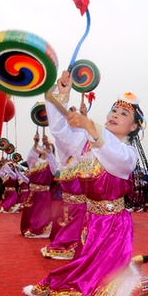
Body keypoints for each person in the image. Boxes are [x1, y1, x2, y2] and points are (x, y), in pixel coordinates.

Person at [23, 71, 148, 296]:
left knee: (107, 294)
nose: (115, 115)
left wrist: (89, 125)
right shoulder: (87, 143)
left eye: (124, 114)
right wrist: (63, 93)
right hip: (90, 223)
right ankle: (125, 266)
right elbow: (60, 132)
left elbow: (111, 154)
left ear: (132, 128)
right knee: (82, 278)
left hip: (112, 226)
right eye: (113, 111)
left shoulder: (126, 154)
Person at [40, 102, 89, 260]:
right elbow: (69, 137)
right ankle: (71, 242)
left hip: (78, 180)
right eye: (70, 113)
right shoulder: (67, 138)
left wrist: (84, 117)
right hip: (74, 180)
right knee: (75, 213)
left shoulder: (80, 134)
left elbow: (89, 140)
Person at [19, 133, 57, 238]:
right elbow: (30, 157)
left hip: (43, 194)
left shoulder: (52, 163)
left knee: (40, 213)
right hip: (32, 193)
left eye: (47, 148)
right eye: (43, 147)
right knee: (29, 212)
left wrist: (48, 146)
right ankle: (29, 227)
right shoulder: (35, 162)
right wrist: (35, 143)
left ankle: (39, 229)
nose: (44, 148)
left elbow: (52, 163)